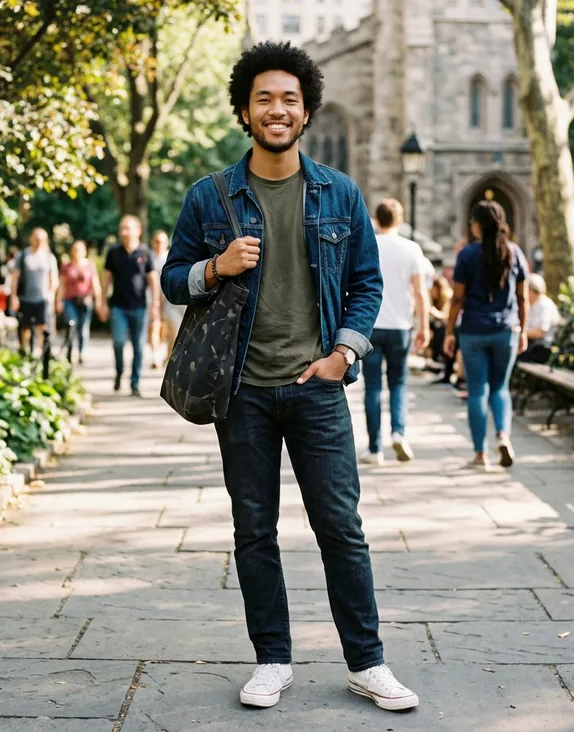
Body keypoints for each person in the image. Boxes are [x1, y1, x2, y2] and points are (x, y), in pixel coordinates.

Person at [161, 42, 417, 713]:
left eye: (290, 100)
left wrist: (343, 354)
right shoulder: (209, 197)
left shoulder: (340, 193)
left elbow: (365, 283)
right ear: (245, 111)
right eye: (264, 99)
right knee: (255, 530)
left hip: (318, 388)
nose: (278, 110)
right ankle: (272, 659)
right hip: (240, 391)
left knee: (342, 528)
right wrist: (216, 267)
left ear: (306, 112)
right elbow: (172, 279)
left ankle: (368, 662)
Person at [444, 200, 529, 469]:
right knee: (500, 388)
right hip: (506, 330)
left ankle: (481, 453)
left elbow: (457, 298)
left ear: (478, 225)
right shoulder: (514, 253)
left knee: (477, 390)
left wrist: (449, 331)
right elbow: (523, 298)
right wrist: (523, 330)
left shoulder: (467, 255)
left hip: (473, 330)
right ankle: (503, 435)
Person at [361, 199, 430, 465]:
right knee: (398, 383)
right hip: (401, 326)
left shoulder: (368, 244)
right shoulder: (411, 249)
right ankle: (398, 432)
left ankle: (374, 448)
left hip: (371, 326)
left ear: (376, 220)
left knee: (373, 388)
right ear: (399, 220)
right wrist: (423, 326)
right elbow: (420, 292)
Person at [101, 216, 161, 396]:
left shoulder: (144, 252)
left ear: (138, 230)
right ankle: (119, 373)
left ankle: (135, 383)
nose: (123, 232)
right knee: (118, 342)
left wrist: (155, 304)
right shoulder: (113, 252)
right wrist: (102, 302)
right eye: (121, 228)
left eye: (127, 228)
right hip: (118, 306)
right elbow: (105, 279)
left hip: (139, 307)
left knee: (138, 346)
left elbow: (152, 279)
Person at [10, 228, 58, 354]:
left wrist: (51, 294)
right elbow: (15, 277)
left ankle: (41, 352)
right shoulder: (23, 256)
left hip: (42, 298)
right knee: (25, 326)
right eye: (36, 238)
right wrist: (13, 296)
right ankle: (24, 351)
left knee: (42, 326)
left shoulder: (48, 257)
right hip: (25, 297)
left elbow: (53, 278)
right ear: (31, 238)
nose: (38, 241)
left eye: (41, 239)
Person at [56, 241, 103, 364]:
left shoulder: (89, 266)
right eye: (74, 249)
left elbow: (95, 284)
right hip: (70, 300)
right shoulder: (66, 267)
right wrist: (58, 300)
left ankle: (82, 352)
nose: (76, 252)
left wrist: (98, 301)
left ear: (84, 251)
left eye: (79, 249)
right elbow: (62, 285)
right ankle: (69, 351)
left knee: (83, 328)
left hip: (85, 301)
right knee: (71, 324)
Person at [148, 230, 185, 367]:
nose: (159, 244)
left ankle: (168, 355)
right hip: (153, 299)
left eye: (162, 241)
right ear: (153, 242)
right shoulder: (149, 257)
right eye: (157, 241)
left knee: (172, 331)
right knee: (154, 327)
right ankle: (154, 357)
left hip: (169, 300)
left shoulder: (171, 257)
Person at [519, 273, 560, 363]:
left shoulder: (544, 305)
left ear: (532, 290)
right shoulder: (532, 304)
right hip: (531, 344)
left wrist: (520, 333)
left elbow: (539, 332)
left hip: (540, 347)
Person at [429, 275, 453, 363]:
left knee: (438, 329)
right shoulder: (437, 299)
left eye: (433, 289)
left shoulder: (448, 297)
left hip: (450, 327)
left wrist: (434, 312)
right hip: (444, 326)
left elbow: (447, 316)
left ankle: (438, 358)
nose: (432, 291)